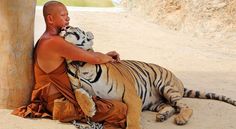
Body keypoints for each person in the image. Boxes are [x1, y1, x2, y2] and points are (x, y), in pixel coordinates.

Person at [12, 1, 127, 129]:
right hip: (58, 104)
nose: (68, 18)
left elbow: (83, 55)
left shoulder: (51, 39)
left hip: (60, 99)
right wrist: (109, 58)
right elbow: (93, 58)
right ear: (50, 19)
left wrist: (105, 55)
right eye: (63, 15)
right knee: (120, 110)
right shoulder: (52, 42)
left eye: (67, 14)